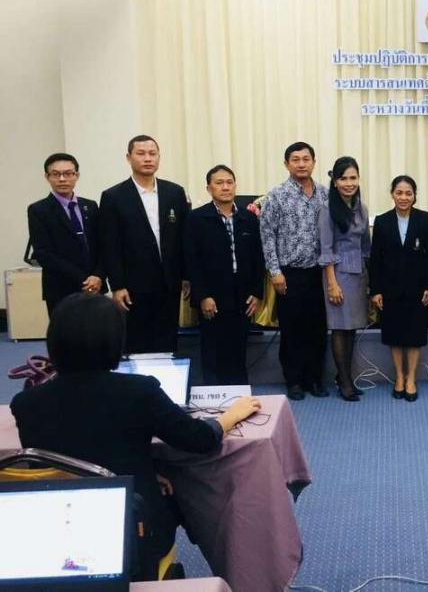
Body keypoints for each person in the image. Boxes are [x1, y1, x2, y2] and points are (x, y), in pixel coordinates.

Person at [11, 294, 261, 580]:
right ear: (115, 342)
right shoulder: (139, 391)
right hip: (132, 534)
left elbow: (72, 452)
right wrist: (230, 416)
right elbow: (198, 440)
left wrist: (146, 472)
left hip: (57, 534)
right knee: (191, 488)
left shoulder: (25, 403)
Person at [99, 135, 190, 354]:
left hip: (170, 282)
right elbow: (110, 245)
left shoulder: (174, 192)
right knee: (137, 341)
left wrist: (187, 276)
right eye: (141, 154)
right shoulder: (113, 196)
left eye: (152, 153)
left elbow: (185, 238)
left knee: (168, 340)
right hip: (133, 285)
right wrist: (117, 285)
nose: (147, 159)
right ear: (128, 157)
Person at [259, 141, 329, 401]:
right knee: (292, 330)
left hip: (319, 273)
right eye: (295, 160)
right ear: (286, 164)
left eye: (306, 159)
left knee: (317, 329)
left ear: (314, 162)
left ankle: (315, 379)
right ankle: (294, 381)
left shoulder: (325, 194)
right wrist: (275, 272)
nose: (301, 164)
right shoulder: (276, 195)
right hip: (289, 273)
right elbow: (267, 235)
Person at [186, 165, 265, 386]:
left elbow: (258, 258)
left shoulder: (248, 218)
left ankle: (239, 394)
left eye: (229, 182)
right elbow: (192, 261)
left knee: (238, 349)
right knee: (213, 349)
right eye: (219, 183)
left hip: (242, 295)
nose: (225, 187)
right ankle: (215, 395)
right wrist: (203, 296)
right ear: (209, 188)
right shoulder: (197, 218)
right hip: (212, 296)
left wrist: (256, 292)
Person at [369, 175, 428, 401]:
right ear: (392, 194)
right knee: (394, 335)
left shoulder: (425, 219)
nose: (403, 197)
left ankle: (411, 378)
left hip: (418, 289)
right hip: (390, 289)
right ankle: (399, 376)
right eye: (399, 193)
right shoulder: (382, 221)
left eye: (408, 193)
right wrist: (376, 290)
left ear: (414, 195)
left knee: (415, 335)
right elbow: (375, 259)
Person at [319, 156, 371, 402]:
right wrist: (332, 284)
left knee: (351, 328)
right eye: (343, 178)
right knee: (340, 328)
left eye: (353, 178)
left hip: (358, 274)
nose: (349, 183)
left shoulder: (362, 208)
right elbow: (325, 249)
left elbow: (366, 245)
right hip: (337, 274)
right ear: (335, 182)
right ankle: (344, 381)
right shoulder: (327, 209)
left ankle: (346, 377)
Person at [27, 153, 106, 315]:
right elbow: (43, 253)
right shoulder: (38, 210)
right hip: (61, 288)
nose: (62, 179)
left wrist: (98, 275)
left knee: (97, 329)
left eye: (68, 173)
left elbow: (103, 245)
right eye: (56, 174)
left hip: (96, 287)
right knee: (67, 331)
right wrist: (84, 280)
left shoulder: (90, 206)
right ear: (47, 177)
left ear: (77, 175)